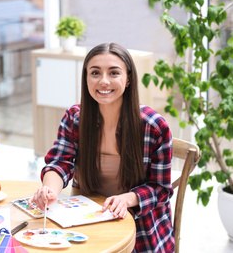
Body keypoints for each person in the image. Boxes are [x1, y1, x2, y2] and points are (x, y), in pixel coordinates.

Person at [28, 43, 174, 252]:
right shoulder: (75, 118)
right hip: (86, 223)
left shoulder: (153, 126)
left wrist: (127, 199)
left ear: (128, 78)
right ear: (86, 78)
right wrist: (49, 190)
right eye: (95, 72)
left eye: (114, 72)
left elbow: (160, 188)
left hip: (143, 233)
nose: (103, 81)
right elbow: (61, 162)